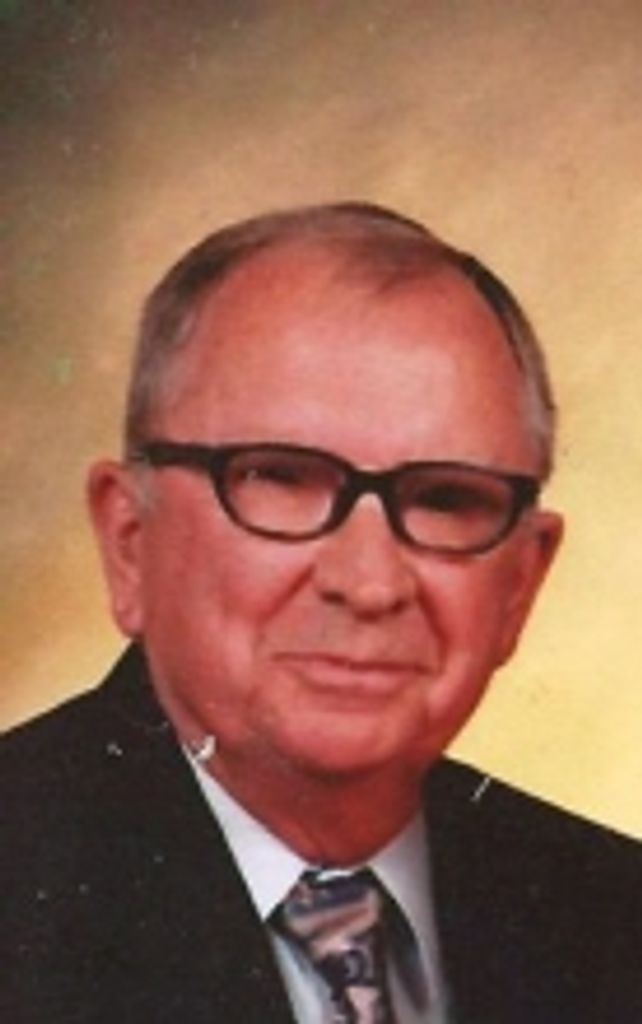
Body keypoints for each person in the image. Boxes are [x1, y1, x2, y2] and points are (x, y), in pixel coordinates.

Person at [2, 203, 640, 1024]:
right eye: (278, 478)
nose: (369, 584)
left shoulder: (616, 922)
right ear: (129, 541)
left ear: (522, 582)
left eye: (446, 499)